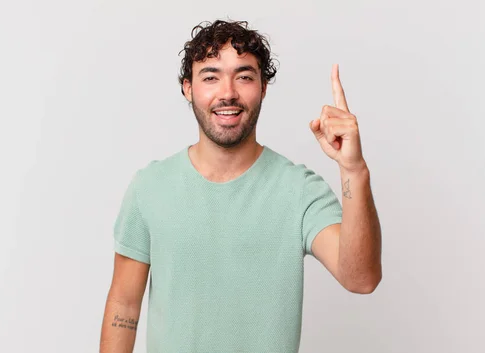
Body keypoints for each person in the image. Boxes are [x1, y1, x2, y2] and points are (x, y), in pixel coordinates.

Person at [99, 19, 382, 353]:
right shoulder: (149, 188)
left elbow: (361, 278)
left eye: (244, 76)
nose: (228, 92)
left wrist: (353, 169)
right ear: (188, 88)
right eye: (211, 77)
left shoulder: (299, 191)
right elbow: (125, 305)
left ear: (263, 87)